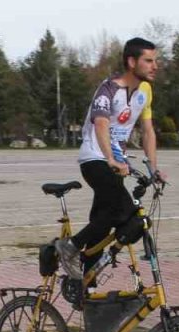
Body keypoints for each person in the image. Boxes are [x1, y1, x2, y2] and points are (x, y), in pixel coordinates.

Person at [55, 38, 163, 280]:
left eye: (156, 60)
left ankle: (87, 282)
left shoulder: (145, 92)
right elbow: (101, 124)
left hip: (115, 162)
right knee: (124, 213)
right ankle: (69, 246)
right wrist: (110, 159)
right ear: (131, 61)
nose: (155, 65)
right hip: (94, 158)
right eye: (149, 60)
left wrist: (153, 169)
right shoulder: (108, 89)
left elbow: (148, 131)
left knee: (103, 220)